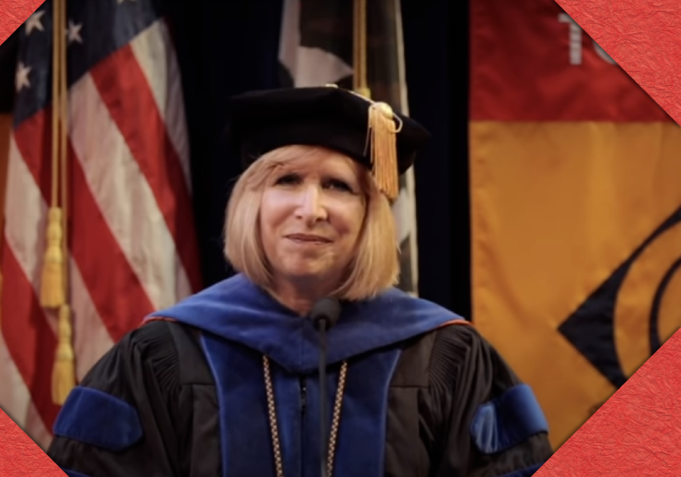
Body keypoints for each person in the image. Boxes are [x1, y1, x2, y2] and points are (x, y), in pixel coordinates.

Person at [48, 86, 552, 477]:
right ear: (253, 202)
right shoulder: (164, 354)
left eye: (338, 186)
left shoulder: (447, 356)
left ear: (369, 214)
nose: (310, 210)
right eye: (286, 181)